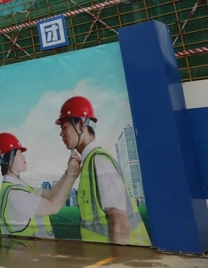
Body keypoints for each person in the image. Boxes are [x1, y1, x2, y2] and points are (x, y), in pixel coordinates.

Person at [56, 96, 150, 246]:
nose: (61, 134)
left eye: (64, 127)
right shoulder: (90, 161)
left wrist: (118, 259)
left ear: (80, 124)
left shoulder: (99, 161)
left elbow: (120, 223)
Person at [0, 132, 80, 239]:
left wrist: (68, 172)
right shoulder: (15, 194)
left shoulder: (20, 187)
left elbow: (51, 194)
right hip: (27, 249)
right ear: (7, 160)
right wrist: (71, 175)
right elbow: (53, 207)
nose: (23, 156)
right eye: (19, 153)